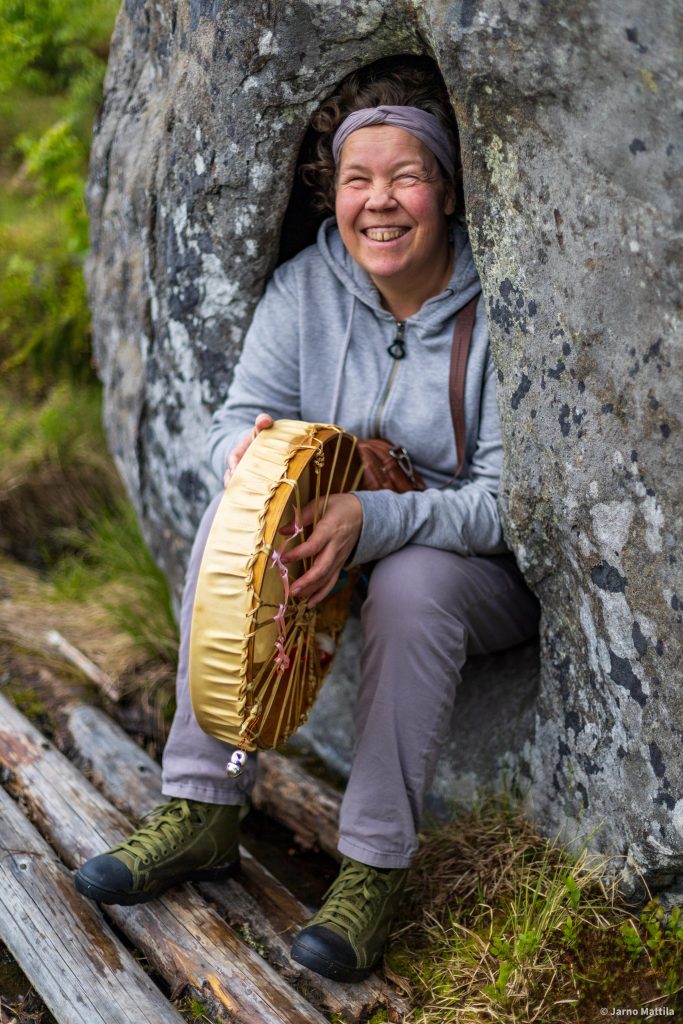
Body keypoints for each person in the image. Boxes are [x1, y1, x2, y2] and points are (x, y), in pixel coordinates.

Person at [75, 58, 539, 982]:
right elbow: (226, 424)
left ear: (446, 191)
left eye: (407, 176)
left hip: (467, 574)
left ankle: (371, 866)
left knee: (415, 582)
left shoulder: (499, 312)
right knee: (236, 517)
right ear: (334, 194)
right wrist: (251, 468)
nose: (381, 201)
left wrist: (373, 518)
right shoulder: (303, 290)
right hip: (335, 540)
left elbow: (507, 508)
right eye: (358, 180)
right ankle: (206, 806)